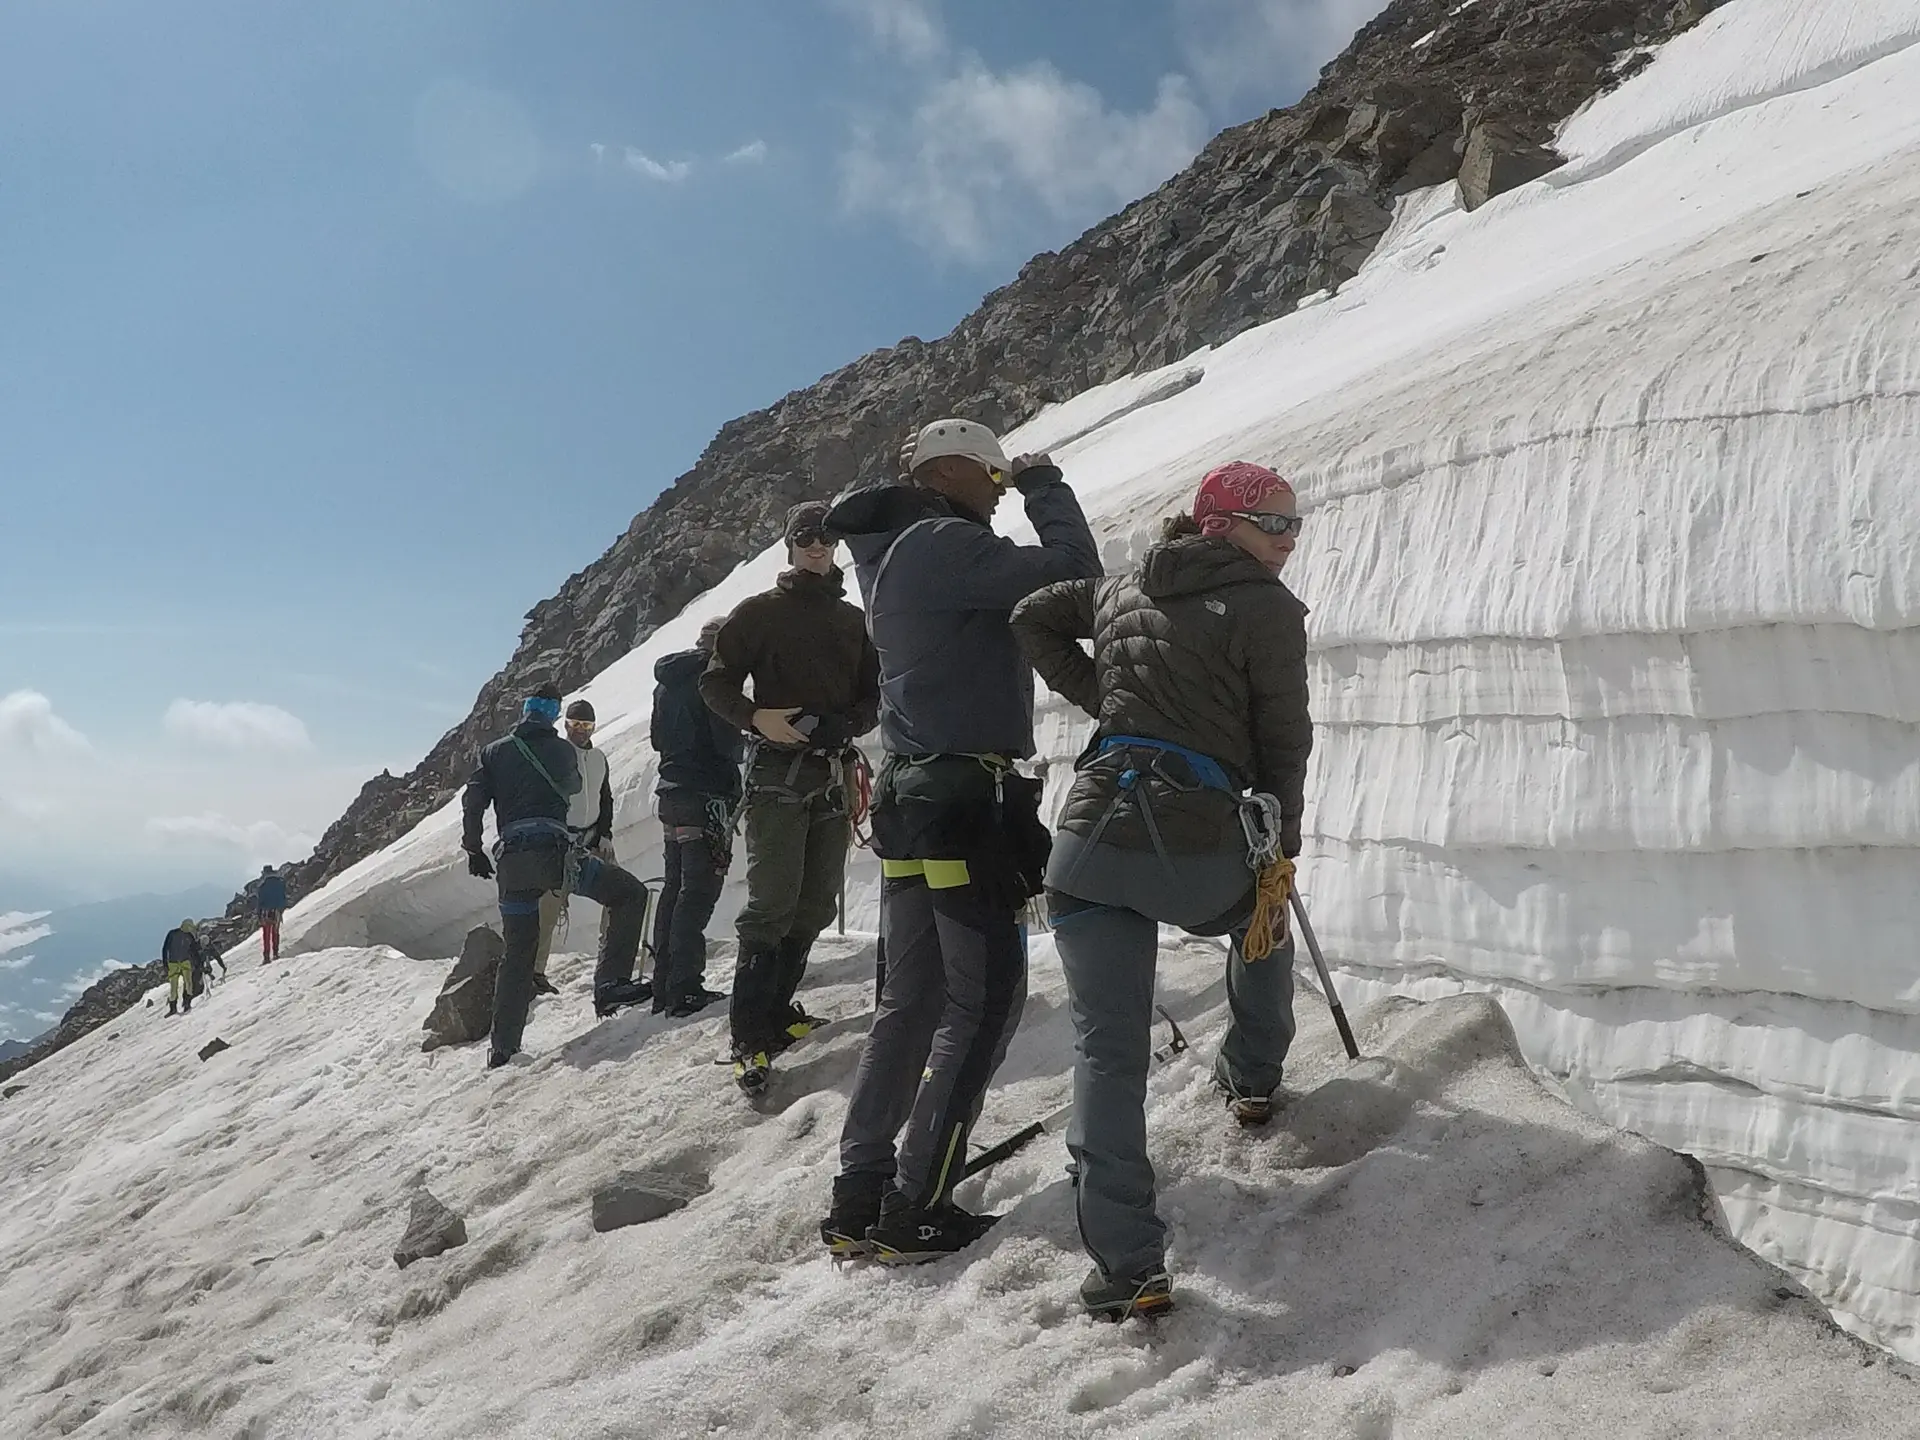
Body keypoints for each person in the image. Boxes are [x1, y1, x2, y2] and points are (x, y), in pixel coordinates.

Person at [1009, 459, 1313, 1320]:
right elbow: (1285, 739)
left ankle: (1126, 1266)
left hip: (1090, 840)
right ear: (1222, 523)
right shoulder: (1266, 608)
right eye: (1274, 523)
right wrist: (1281, 848)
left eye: (1294, 524)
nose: (1288, 541)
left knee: (1107, 1053)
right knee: (1262, 928)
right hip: (1193, 840)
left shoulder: (1117, 588)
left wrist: (1106, 701)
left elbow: (1031, 615)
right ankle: (1252, 1079)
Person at [820, 417, 1100, 1262]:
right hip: (961, 801)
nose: (1000, 488)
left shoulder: (892, 549)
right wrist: (1047, 489)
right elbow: (1072, 581)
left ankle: (859, 1197)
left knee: (911, 1005)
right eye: (992, 476)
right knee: (983, 1006)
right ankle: (917, 1207)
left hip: (917, 794)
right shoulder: (942, 539)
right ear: (951, 471)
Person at [699, 501, 880, 1095]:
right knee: (772, 905)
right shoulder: (759, 614)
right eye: (806, 536)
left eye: (826, 537)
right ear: (789, 544)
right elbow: (714, 682)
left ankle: (775, 1018)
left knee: (813, 907)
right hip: (778, 773)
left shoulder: (854, 621)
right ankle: (748, 1037)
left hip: (830, 773)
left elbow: (873, 694)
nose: (817, 545)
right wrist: (756, 718)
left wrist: (846, 725)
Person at [461, 682, 652, 1068]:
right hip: (557, 856)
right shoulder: (563, 750)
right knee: (628, 894)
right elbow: (573, 786)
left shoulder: (495, 752)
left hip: (511, 864)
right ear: (553, 715)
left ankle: (503, 1048)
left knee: (518, 953)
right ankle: (611, 984)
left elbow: (473, 802)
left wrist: (473, 849)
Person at [648, 617, 743, 1016]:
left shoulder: (665, 682)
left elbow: (656, 739)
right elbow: (726, 742)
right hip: (705, 795)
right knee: (698, 891)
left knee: (674, 890)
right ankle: (686, 988)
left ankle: (664, 987)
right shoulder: (714, 679)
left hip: (672, 793)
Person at [531, 699, 619, 997]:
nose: (580, 730)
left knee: (621, 893)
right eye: (574, 724)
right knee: (548, 906)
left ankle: (613, 962)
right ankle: (535, 972)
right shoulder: (556, 754)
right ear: (564, 724)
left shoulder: (599, 758)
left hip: (594, 837)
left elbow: (605, 798)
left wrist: (604, 833)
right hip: (562, 840)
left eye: (586, 725)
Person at [160, 919, 202, 1016]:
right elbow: (165, 948)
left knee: (188, 983)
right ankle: (173, 1008)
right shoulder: (172, 934)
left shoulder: (188, 936)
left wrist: (198, 963)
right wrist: (165, 963)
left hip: (183, 962)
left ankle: (186, 1003)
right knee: (174, 987)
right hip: (174, 963)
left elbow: (194, 951)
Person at [256, 865, 288, 963]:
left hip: (266, 912)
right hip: (277, 911)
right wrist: (281, 909)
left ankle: (266, 956)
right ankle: (275, 953)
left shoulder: (262, 886)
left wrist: (259, 914)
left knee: (266, 935)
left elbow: (260, 902)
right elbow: (283, 898)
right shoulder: (280, 883)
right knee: (275, 932)